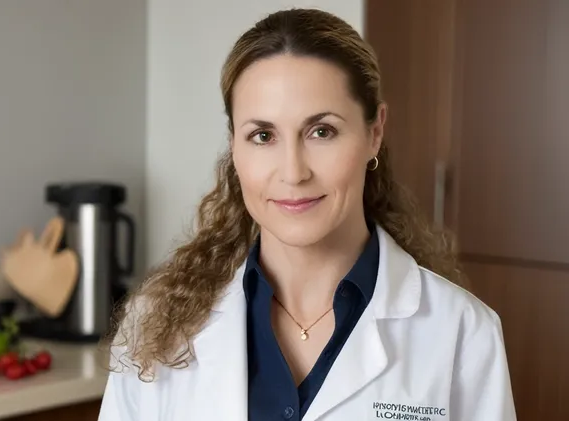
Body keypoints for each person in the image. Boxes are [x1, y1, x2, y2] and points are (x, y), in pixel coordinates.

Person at [98, 8, 517, 421]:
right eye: (262, 136)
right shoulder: (152, 328)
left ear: (375, 133)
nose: (294, 172)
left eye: (322, 131)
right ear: (234, 145)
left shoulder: (462, 332)